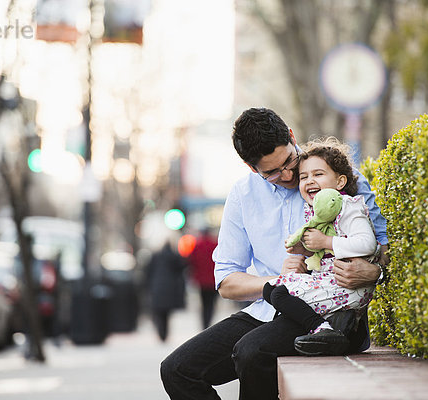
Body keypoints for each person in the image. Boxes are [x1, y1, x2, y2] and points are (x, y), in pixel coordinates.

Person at [160, 108, 389, 400]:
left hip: (326, 312)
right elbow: (227, 281)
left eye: (289, 161)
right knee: (177, 370)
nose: (289, 175)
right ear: (250, 166)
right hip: (267, 308)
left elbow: (380, 247)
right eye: (272, 172)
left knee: (251, 353)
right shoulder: (243, 194)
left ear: (292, 137)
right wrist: (278, 281)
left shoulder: (337, 176)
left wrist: (375, 272)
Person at [263, 138, 380, 357]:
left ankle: (323, 329)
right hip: (330, 282)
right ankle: (327, 326)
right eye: (304, 176)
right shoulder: (317, 213)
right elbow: (326, 252)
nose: (309, 181)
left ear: (340, 182)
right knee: (272, 289)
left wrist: (326, 242)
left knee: (277, 293)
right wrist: (306, 250)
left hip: (348, 286)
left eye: (318, 174)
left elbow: (368, 244)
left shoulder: (349, 208)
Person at [145, 240, 188, 342]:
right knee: (166, 313)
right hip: (170, 288)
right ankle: (164, 333)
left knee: (159, 312)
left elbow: (147, 271)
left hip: (157, 287)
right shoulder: (174, 256)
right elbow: (182, 267)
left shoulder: (155, 256)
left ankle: (161, 333)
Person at [188, 227, 219, 329]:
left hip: (201, 281)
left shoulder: (197, 246)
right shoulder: (215, 245)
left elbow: (192, 262)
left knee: (204, 302)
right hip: (213, 280)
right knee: (211, 303)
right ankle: (208, 321)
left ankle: (204, 323)